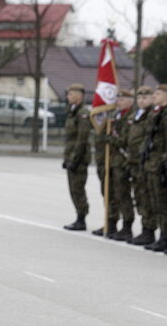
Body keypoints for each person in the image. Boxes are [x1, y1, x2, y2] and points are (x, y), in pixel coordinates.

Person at [126, 86, 157, 245]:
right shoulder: (135, 116)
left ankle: (149, 230)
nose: (142, 100)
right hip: (134, 162)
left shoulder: (152, 116)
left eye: (146, 97)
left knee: (148, 198)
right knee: (139, 196)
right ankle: (145, 229)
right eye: (139, 98)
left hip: (146, 162)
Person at [140, 84, 167, 252]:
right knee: (155, 202)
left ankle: (164, 237)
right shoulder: (156, 114)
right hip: (152, 163)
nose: (154, 96)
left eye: (157, 94)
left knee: (163, 203)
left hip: (161, 164)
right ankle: (161, 236)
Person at [107, 89, 136, 241]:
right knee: (114, 194)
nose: (118, 101)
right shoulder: (117, 117)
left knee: (124, 195)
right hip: (114, 161)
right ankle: (112, 223)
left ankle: (127, 226)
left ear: (130, 101)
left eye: (122, 99)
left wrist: (110, 138)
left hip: (123, 161)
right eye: (118, 99)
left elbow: (124, 141)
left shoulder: (130, 118)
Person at [62, 84, 91, 231]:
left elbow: (82, 138)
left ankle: (82, 218)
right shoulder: (72, 111)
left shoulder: (83, 113)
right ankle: (79, 216)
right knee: (73, 189)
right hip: (71, 157)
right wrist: (66, 158)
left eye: (71, 94)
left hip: (79, 159)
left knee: (78, 189)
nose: (68, 97)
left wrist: (74, 158)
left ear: (79, 96)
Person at [92, 91, 120, 237]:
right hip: (102, 159)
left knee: (115, 194)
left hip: (116, 161)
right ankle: (108, 222)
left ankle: (113, 223)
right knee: (106, 192)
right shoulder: (105, 117)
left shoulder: (116, 119)